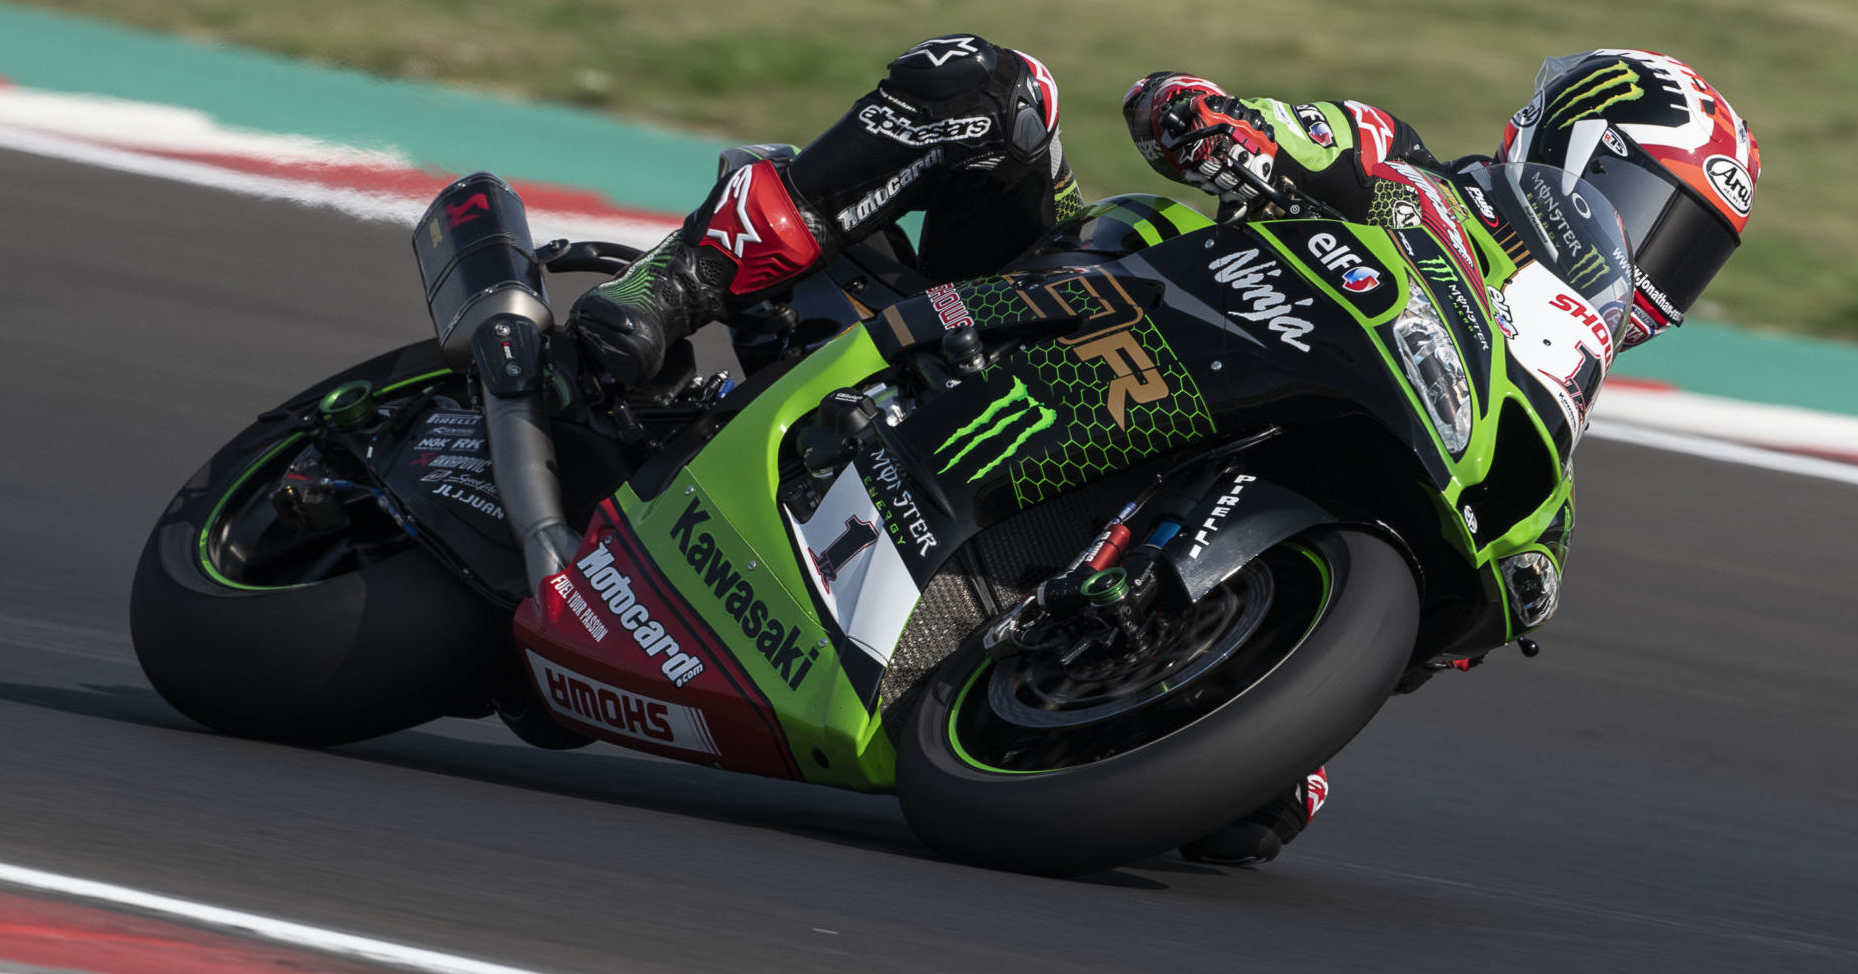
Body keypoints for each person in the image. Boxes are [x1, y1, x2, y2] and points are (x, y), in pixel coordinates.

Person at [568, 37, 1761, 865]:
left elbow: (1420, 628)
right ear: (1566, 145)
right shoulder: (1397, 168)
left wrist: (1285, 716)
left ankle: (1090, 647)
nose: (1656, 257)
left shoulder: (1544, 401)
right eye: (1644, 202)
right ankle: (668, 287)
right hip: (1041, 300)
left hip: (1184, 452)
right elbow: (1178, 109)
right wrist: (1218, 125)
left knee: (1256, 821)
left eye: (1690, 246)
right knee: (990, 88)